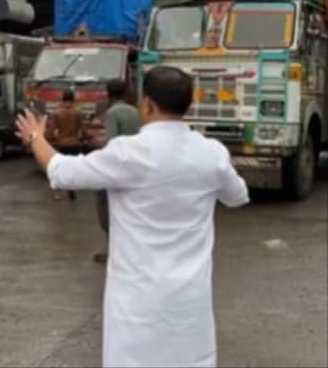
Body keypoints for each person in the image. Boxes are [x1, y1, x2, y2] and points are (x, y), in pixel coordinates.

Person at [15, 65, 249, 367]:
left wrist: (35, 137)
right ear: (187, 104)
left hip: (136, 306)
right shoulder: (211, 153)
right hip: (189, 303)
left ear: (147, 104)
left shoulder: (127, 153)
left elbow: (62, 171)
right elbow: (238, 196)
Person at [92, 79, 141, 264]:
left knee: (105, 206)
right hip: (135, 166)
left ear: (108, 93)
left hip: (116, 168)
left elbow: (112, 144)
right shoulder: (135, 112)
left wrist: (96, 143)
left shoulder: (112, 113)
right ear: (127, 92)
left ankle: (114, 251)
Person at [49, 89, 82, 201]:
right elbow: (83, 130)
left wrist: (51, 138)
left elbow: (52, 130)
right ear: (73, 100)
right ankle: (72, 191)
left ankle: (57, 193)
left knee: (58, 168)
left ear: (62, 100)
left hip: (61, 144)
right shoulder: (78, 112)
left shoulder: (56, 113)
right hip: (74, 143)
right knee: (72, 168)